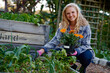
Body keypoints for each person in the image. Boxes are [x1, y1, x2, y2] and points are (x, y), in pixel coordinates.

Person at [37, 3, 95, 73]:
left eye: (73, 12)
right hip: (67, 49)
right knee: (56, 53)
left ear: (77, 12)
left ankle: (83, 69)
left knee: (87, 56)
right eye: (68, 13)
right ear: (65, 15)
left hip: (81, 51)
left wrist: (77, 51)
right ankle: (72, 67)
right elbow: (55, 40)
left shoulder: (85, 26)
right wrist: (43, 49)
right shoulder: (63, 26)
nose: (71, 15)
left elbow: (86, 45)